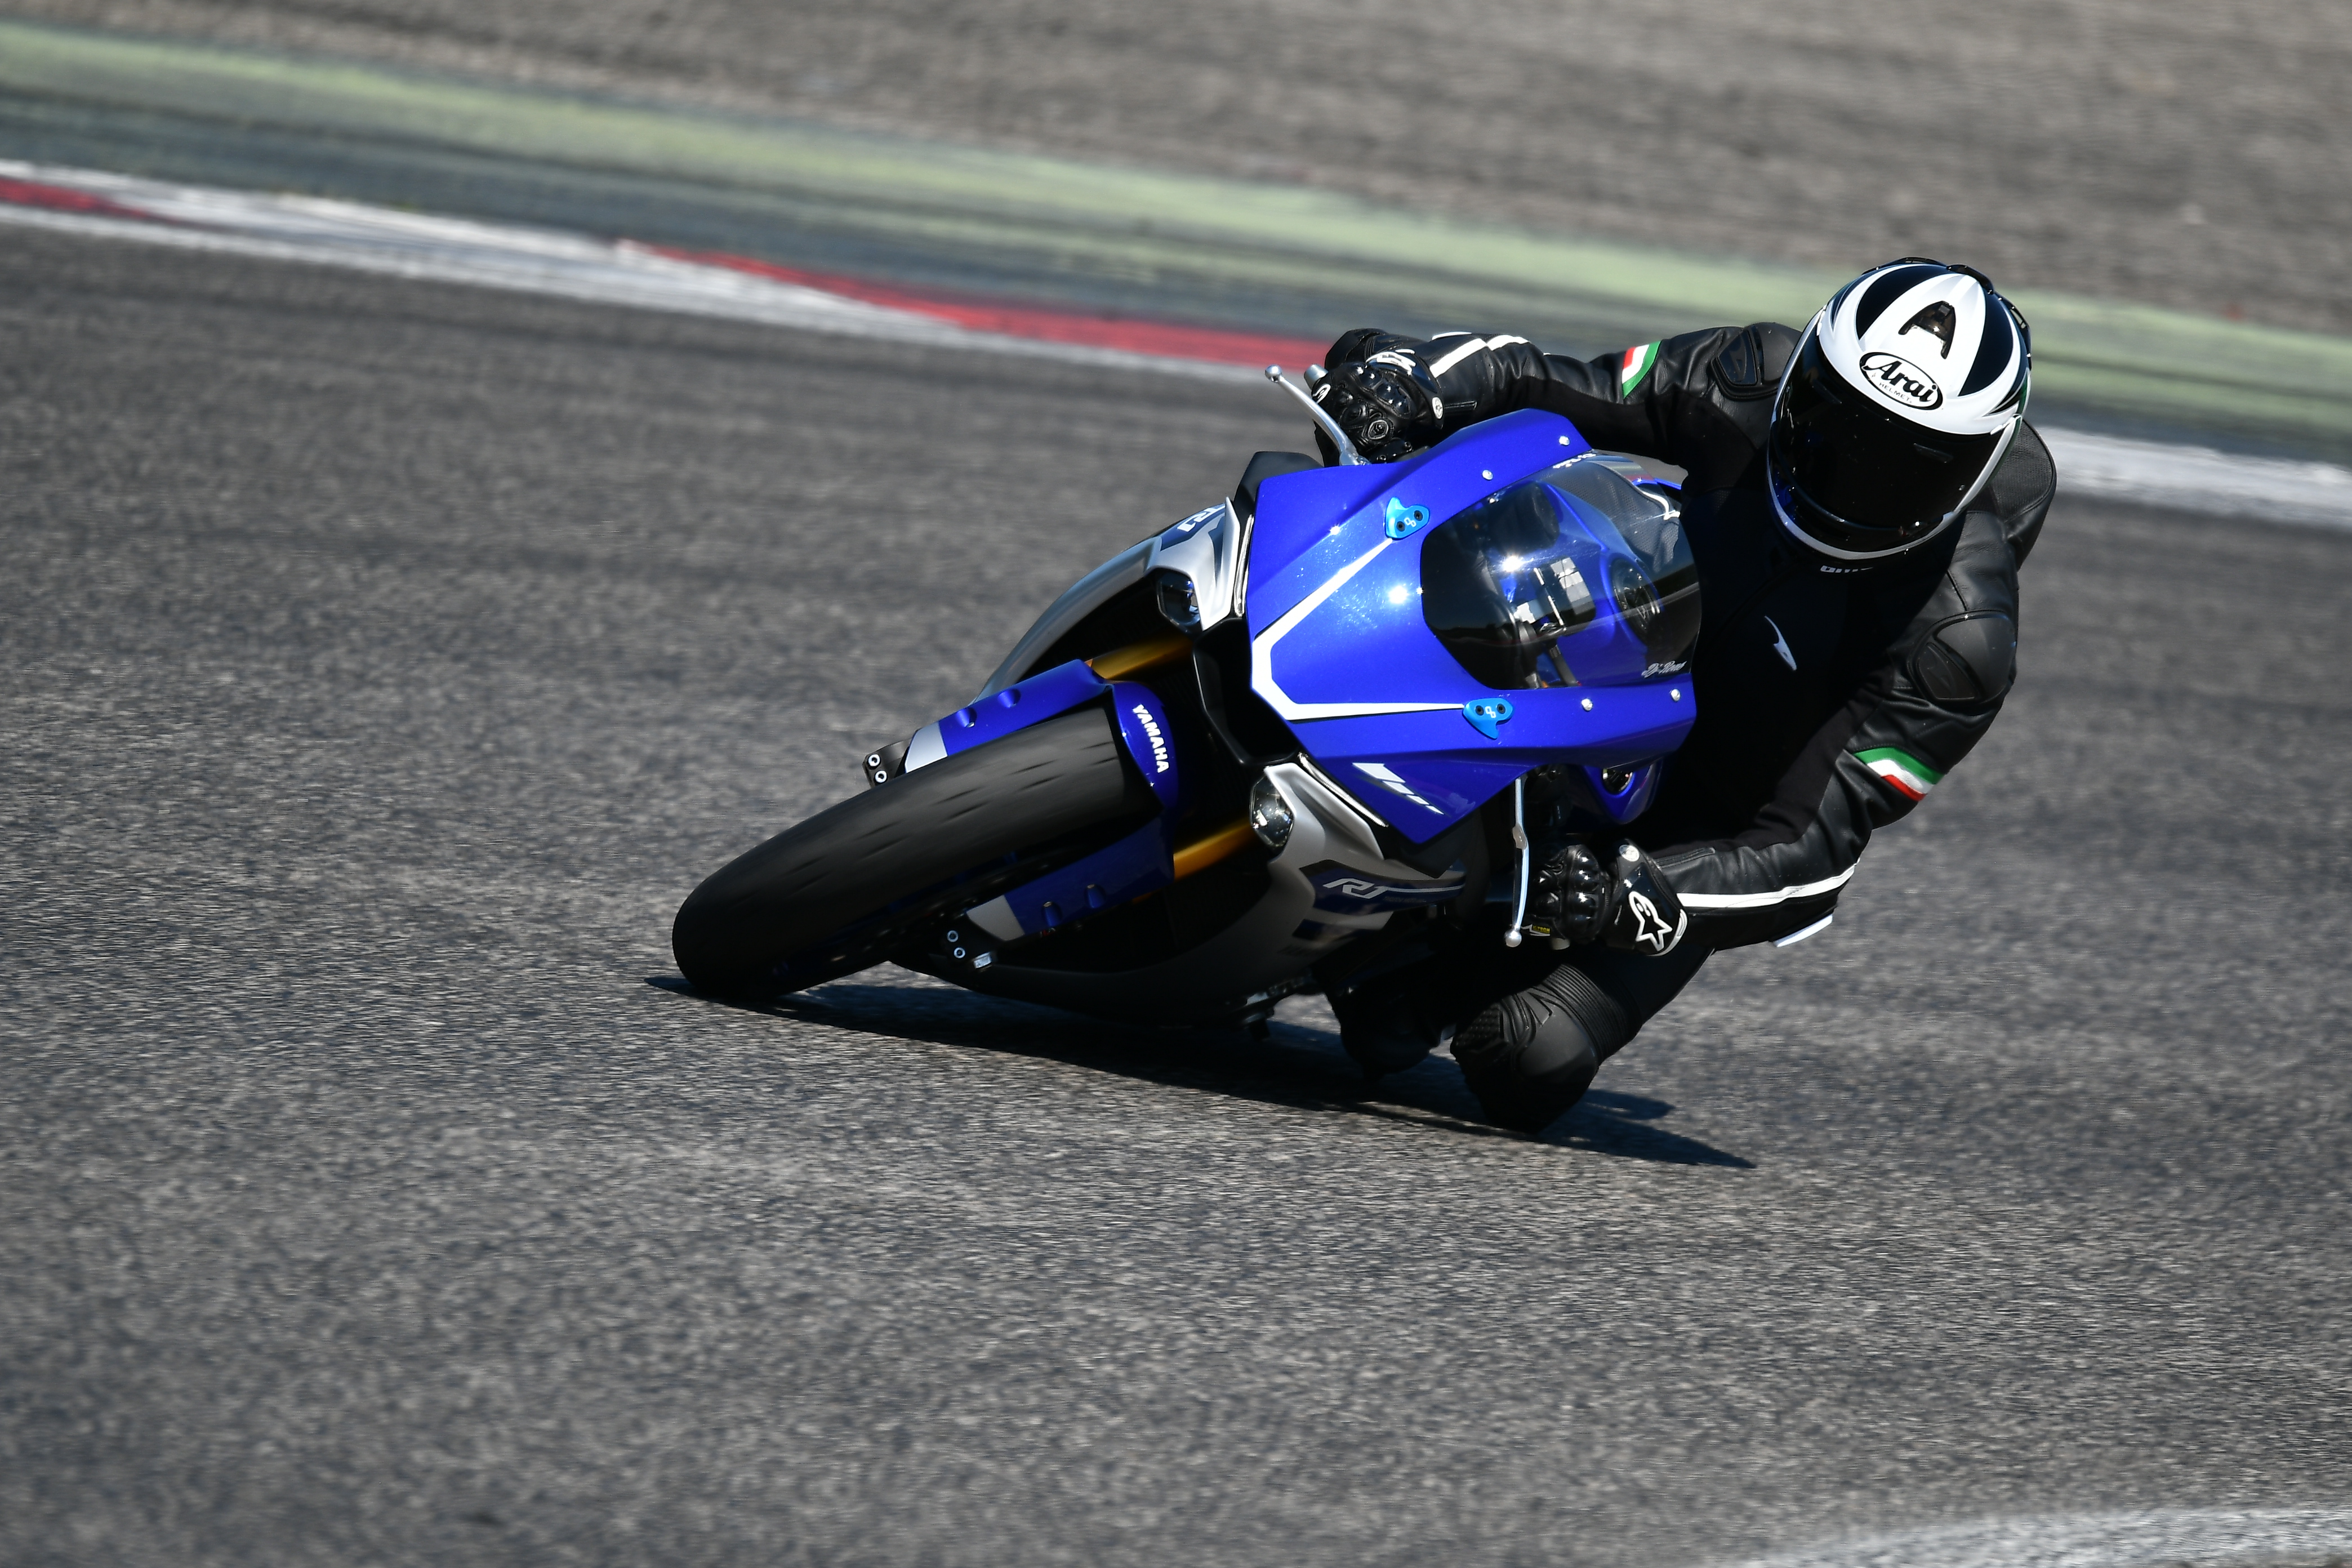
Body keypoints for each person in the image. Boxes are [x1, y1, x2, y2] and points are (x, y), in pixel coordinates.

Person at [1310, 257, 2056, 1134]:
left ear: (1973, 471)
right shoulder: (1747, 376)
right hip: (1579, 691)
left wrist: (1643, 891)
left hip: (1685, 835)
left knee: (1514, 1050)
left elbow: (1809, 859)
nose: (1852, 474)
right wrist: (1416, 381)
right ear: (1803, 377)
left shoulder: (1958, 643)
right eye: (1836, 425)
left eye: (1904, 468)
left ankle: (1440, 970)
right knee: (1376, 389)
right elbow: (1547, 379)